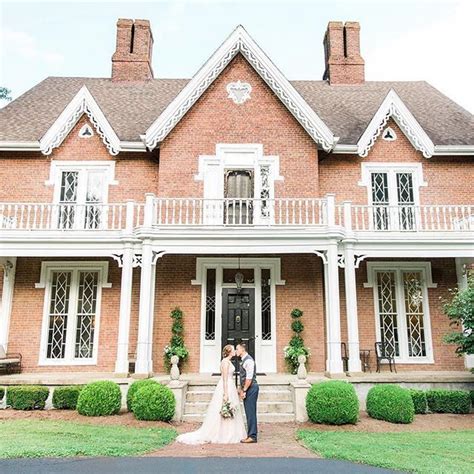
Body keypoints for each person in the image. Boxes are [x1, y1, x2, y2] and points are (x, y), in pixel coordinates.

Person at [176, 344, 247, 444]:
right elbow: (225, 378)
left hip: (230, 386)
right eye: (233, 349)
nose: (235, 351)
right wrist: (226, 393)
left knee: (231, 408)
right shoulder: (225, 362)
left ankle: (229, 432)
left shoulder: (228, 361)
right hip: (226, 386)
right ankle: (222, 434)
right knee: (224, 408)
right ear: (230, 352)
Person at [236, 342, 259, 443]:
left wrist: (244, 390)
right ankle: (251, 434)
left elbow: (249, 378)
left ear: (242, 349)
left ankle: (252, 436)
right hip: (247, 388)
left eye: (237, 349)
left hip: (251, 388)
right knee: (249, 412)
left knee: (251, 412)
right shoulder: (243, 360)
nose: (236, 351)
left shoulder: (248, 361)